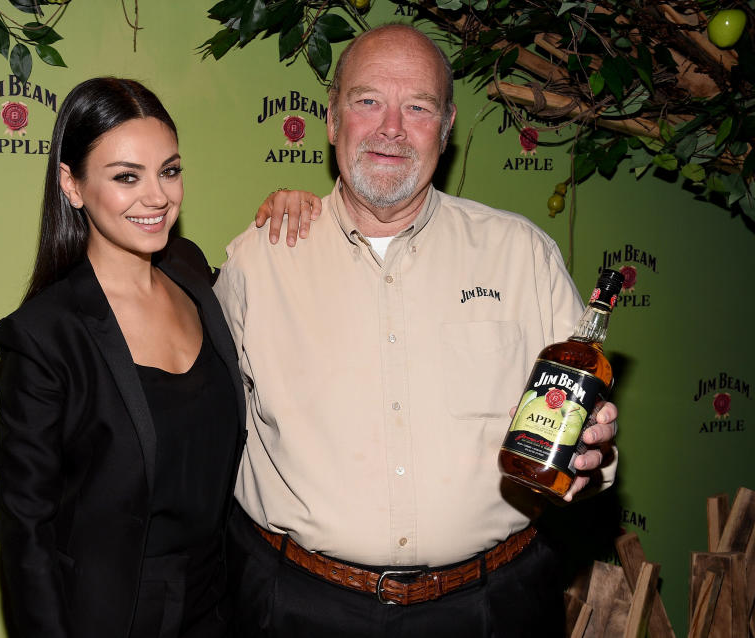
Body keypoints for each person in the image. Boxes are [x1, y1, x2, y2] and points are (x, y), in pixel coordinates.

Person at [215, 24, 620, 638]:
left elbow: (584, 434)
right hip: (300, 608)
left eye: (419, 107)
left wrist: (594, 457)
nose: (392, 128)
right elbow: (197, 434)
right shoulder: (257, 261)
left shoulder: (520, 253)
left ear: (447, 125)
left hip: (492, 606)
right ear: (331, 119)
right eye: (368, 100)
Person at [0, 77, 317, 638]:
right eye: (126, 177)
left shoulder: (190, 270)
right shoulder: (45, 337)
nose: (158, 197)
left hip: (225, 597)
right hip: (119, 614)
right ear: (71, 184)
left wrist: (291, 204)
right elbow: (28, 533)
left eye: (169, 170)